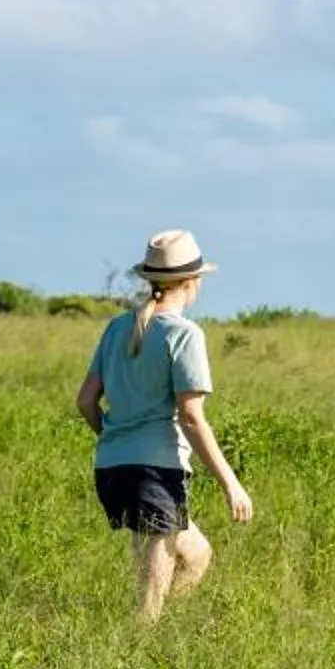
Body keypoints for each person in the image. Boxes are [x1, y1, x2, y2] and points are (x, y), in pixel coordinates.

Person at [75, 229, 254, 623]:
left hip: (112, 465)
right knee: (149, 601)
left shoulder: (117, 328)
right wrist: (231, 483)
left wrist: (113, 438)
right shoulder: (184, 334)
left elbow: (86, 401)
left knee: (197, 554)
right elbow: (191, 417)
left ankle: (163, 639)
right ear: (192, 282)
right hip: (157, 469)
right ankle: (143, 650)